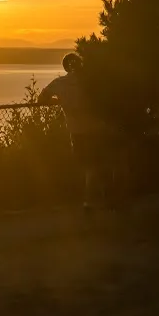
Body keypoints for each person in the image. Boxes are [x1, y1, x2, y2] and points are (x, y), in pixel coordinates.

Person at [39, 53, 108, 213]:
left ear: (65, 67)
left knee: (85, 165)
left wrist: (58, 101)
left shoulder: (59, 83)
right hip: (96, 128)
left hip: (76, 131)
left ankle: (88, 200)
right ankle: (95, 199)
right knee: (95, 166)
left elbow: (41, 99)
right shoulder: (91, 82)